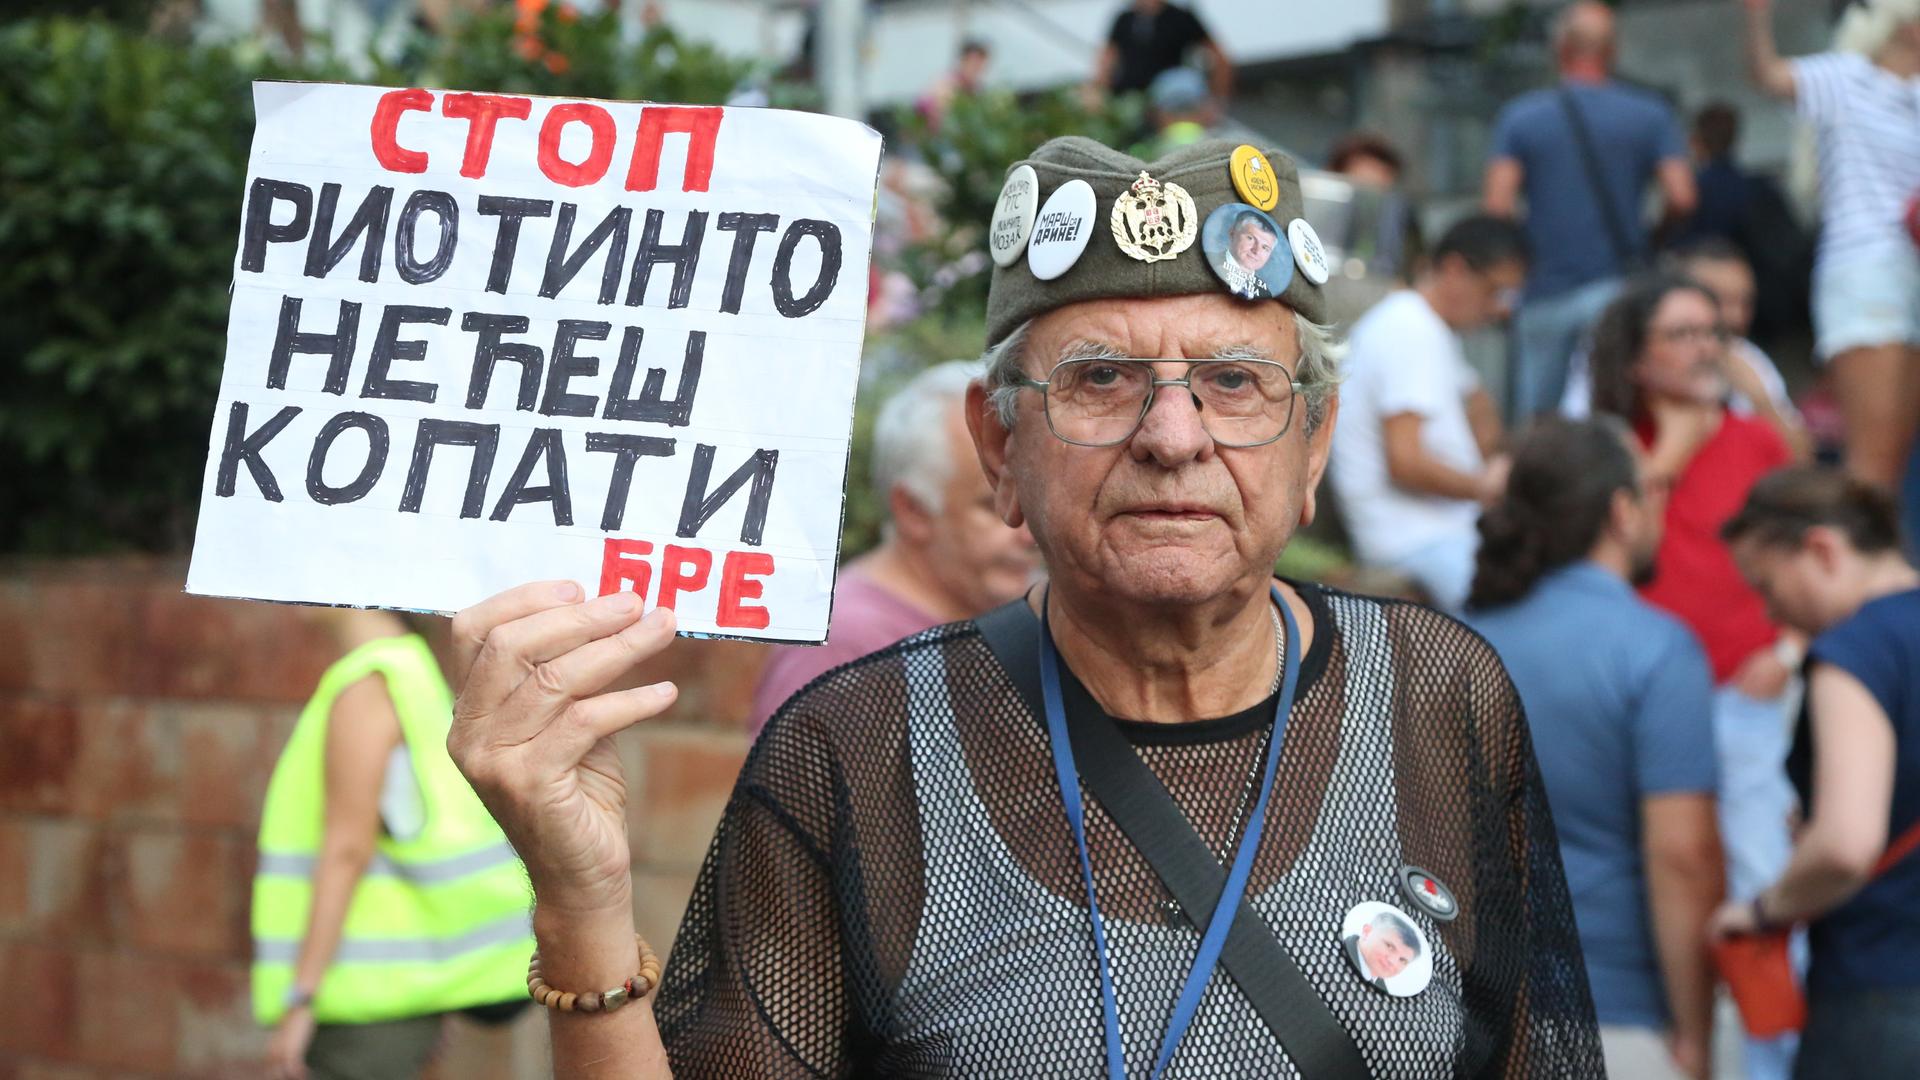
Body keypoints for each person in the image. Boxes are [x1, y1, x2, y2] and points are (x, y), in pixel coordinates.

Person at [445, 137, 1604, 1076]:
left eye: (1235, 382)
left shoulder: (1442, 694)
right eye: (1100, 378)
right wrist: (581, 899)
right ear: (998, 446)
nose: (1172, 437)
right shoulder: (854, 751)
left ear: (1316, 446)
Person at [1586, 273, 1801, 1080]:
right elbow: (1603, 539)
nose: (1704, 348)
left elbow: (1809, 550)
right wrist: (1671, 447)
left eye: (1710, 331)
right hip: (1640, 698)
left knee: (1757, 877)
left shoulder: (1753, 438)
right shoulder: (1609, 442)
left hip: (1744, 694)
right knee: (1662, 867)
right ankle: (1687, 1025)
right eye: (1679, 334)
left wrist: (1784, 654)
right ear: (1637, 358)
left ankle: (1772, 1053)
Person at [1467, 417, 1723, 1080]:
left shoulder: (1456, 643)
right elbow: (1684, 857)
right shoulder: (1657, 649)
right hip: (1616, 1014)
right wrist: (1694, 1032)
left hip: (1474, 1019)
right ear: (1621, 510)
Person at [253, 609, 532, 1080]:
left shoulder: (369, 684)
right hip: (406, 990)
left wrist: (301, 999)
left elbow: (347, 849)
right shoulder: (411, 668)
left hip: (365, 1004)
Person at [1712, 467, 1920, 1078]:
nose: (1773, 612)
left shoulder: (1859, 650)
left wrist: (1762, 910)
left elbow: (1846, 843)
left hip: (1884, 989)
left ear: (1822, 550)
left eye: (1768, 585)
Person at [748, 361, 1040, 732]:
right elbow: (788, 789)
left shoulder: (1012, 617)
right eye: (993, 504)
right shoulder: (846, 645)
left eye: (1033, 499)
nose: (1028, 534)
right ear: (913, 510)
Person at [1484, 0, 1697, 422]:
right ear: (1612, 50)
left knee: (1540, 421)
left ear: (1560, 49)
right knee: (1615, 412)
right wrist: (1653, 235)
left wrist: (1514, 275)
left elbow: (1497, 206)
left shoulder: (1520, 118)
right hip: (1619, 288)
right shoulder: (1650, 114)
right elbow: (1682, 196)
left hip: (1544, 290)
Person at [1740, 0, 1920, 494]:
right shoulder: (1845, 78)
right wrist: (1757, 18)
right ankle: (1863, 565)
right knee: (1872, 461)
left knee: (1896, 459)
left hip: (1910, 273)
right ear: (1905, 28)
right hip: (1864, 272)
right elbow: (1770, 76)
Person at [1330, 214, 1525, 611]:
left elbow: (1480, 406)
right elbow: (1406, 460)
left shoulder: (1427, 327)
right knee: (1517, 623)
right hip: (1416, 542)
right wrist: (1488, 488)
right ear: (1454, 269)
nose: (1500, 309)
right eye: (1495, 291)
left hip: (1439, 534)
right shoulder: (1408, 329)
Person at [1562, 239, 1810, 458]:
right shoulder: (1608, 442)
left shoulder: (1748, 364)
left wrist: (1760, 400)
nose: (1734, 317)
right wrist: (1670, 454)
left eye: (1745, 301)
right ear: (1633, 356)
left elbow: (1799, 463)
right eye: (1684, 333)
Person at [1090, 0, 1230, 103]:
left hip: (1169, 100)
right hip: (1129, 99)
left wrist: (1216, 101)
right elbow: (1107, 60)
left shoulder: (1181, 17)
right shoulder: (1124, 19)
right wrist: (1097, 91)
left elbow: (1220, 58)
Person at [918, 38, 990, 130]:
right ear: (963, 60)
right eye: (974, 63)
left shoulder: (977, 89)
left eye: (981, 64)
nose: (977, 69)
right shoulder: (946, 85)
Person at [1342, 910, 1422, 991]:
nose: (1392, 961)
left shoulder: (1382, 991)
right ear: (1367, 932)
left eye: (1402, 960)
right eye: (1389, 946)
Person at [1213, 208, 1280, 299]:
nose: (1256, 251)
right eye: (1250, 238)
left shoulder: (1265, 293)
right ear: (1232, 233)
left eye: (1265, 247)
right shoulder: (1210, 262)